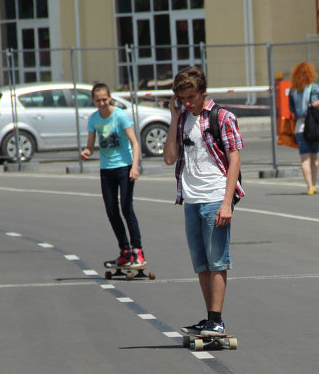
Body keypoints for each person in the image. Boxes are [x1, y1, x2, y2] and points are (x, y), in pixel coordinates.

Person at [163, 66, 244, 336]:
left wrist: (226, 203)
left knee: (217, 260)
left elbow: (234, 161)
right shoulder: (183, 117)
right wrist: (174, 118)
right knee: (201, 263)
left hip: (214, 196)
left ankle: (217, 319)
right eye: (182, 98)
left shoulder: (222, 117)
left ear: (203, 91)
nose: (187, 102)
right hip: (191, 198)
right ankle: (209, 318)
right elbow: (169, 158)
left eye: (191, 97)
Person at [80, 82, 145, 268]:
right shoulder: (94, 119)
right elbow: (91, 145)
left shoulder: (120, 116)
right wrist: (86, 151)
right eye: (98, 100)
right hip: (106, 169)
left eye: (104, 99)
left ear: (110, 98)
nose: (101, 103)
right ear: (93, 100)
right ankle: (125, 252)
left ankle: (138, 251)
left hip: (124, 166)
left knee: (126, 207)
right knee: (111, 211)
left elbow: (135, 144)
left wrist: (134, 167)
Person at [288, 61, 319, 194]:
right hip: (313, 126)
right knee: (315, 158)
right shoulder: (313, 87)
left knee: (305, 158)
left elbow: (291, 109)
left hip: (300, 126)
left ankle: (309, 186)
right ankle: (314, 184)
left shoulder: (292, 90)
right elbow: (315, 102)